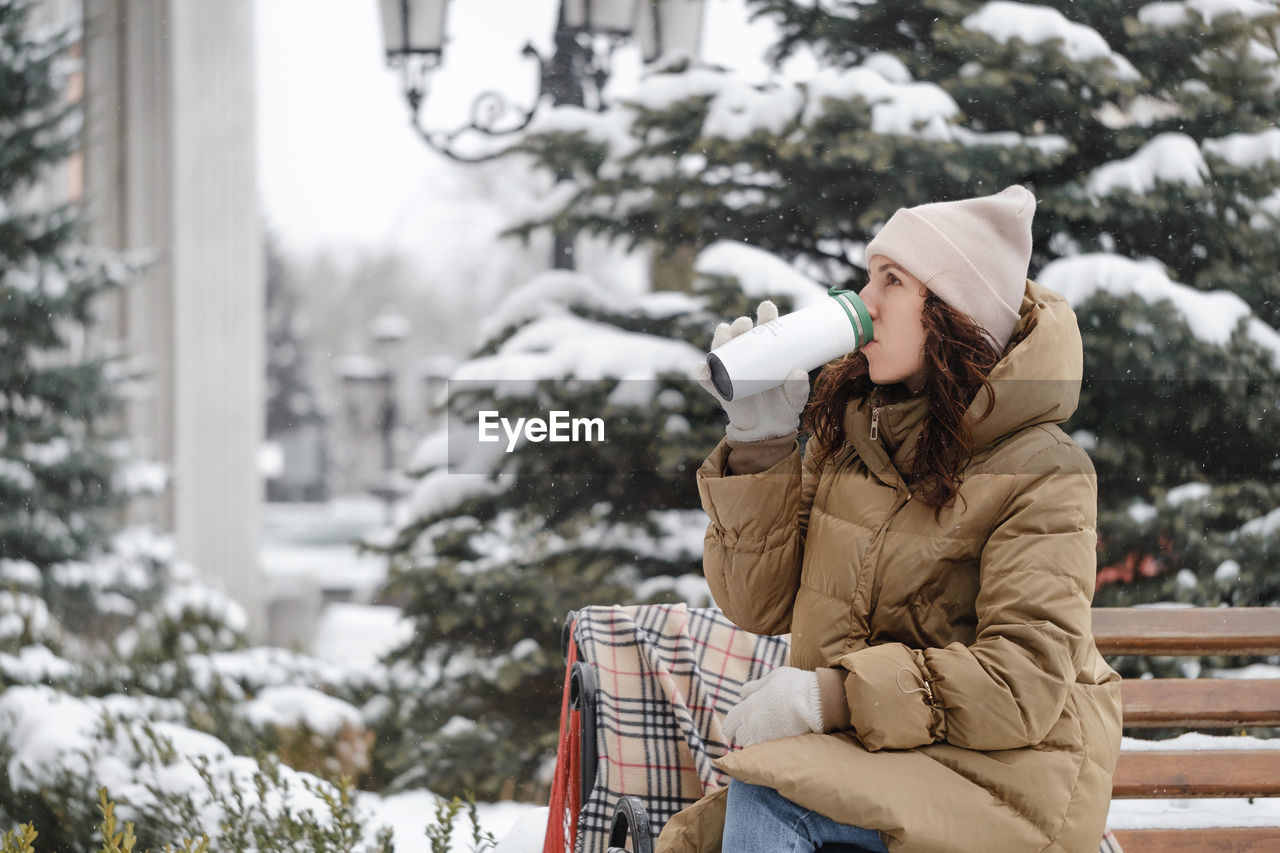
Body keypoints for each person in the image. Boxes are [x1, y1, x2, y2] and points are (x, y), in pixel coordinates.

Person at [658, 186, 1123, 853]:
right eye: (869, 275)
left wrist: (832, 695)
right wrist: (759, 444)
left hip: (1007, 774)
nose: (864, 300)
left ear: (954, 312)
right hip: (879, 759)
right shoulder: (853, 435)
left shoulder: (1043, 468)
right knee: (715, 827)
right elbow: (757, 604)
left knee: (770, 798)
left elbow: (1022, 682)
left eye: (893, 280)